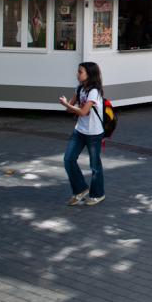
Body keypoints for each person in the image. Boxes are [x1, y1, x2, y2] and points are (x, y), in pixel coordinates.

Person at [59, 62, 106, 206]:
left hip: (94, 133)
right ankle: (80, 189)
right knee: (68, 159)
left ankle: (98, 194)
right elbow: (70, 110)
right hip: (79, 130)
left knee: (94, 165)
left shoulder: (94, 92)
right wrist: (68, 105)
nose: (77, 74)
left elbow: (84, 112)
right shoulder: (79, 88)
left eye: (80, 72)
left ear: (89, 74)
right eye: (78, 71)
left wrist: (67, 105)